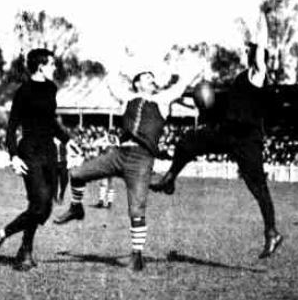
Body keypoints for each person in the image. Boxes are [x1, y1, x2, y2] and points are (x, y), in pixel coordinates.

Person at [149, 16, 283, 259]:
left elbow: (261, 49)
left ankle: (271, 232)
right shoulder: (240, 79)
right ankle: (169, 178)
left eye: (247, 50)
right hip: (227, 133)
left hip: (247, 139)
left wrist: (262, 19)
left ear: (253, 54)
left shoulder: (257, 74)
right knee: (187, 142)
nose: (244, 52)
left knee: (258, 187)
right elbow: (216, 105)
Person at [52, 69, 201, 271]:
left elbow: (181, 84)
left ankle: (137, 255)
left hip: (142, 158)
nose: (153, 80)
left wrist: (196, 70)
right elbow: (111, 82)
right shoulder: (127, 98)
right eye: (148, 77)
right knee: (76, 174)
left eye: (153, 78)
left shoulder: (163, 100)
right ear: (137, 83)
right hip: (119, 154)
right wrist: (118, 65)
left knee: (136, 209)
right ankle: (76, 208)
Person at [0, 49, 70, 271]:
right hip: (29, 151)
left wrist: (67, 140)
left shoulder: (51, 88)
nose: (54, 68)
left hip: (49, 151)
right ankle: (1, 238)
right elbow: (11, 127)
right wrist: (14, 156)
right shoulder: (24, 91)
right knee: (39, 203)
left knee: (44, 207)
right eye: (51, 64)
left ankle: (24, 250)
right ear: (40, 66)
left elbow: (50, 122)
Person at [90, 132, 120, 208]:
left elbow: (94, 144)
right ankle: (106, 201)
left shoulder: (108, 140)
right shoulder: (116, 140)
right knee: (108, 184)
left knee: (106, 184)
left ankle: (104, 201)